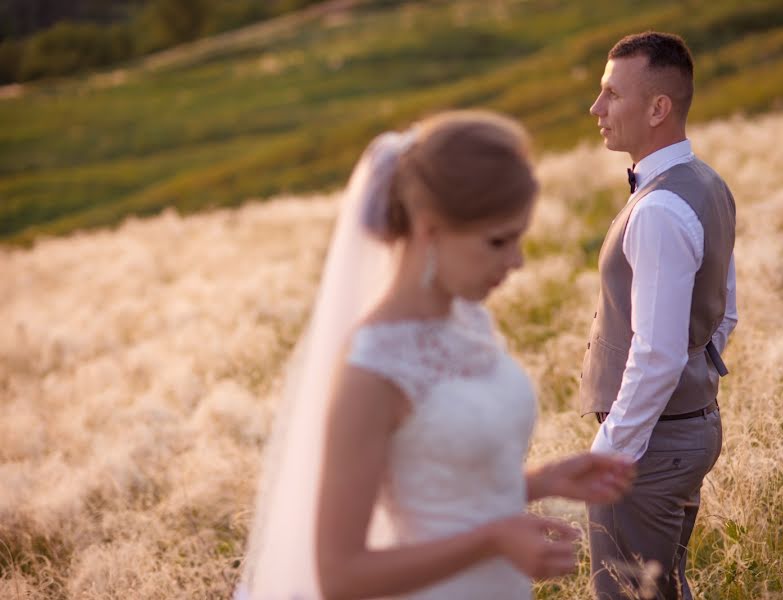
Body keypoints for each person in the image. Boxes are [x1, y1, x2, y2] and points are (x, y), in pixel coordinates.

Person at [236, 110, 634, 599]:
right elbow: (341, 575)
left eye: (519, 238)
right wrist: (493, 539)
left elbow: (438, 489)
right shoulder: (373, 368)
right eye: (498, 241)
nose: (517, 262)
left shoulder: (469, 322)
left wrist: (540, 481)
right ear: (429, 229)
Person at [580, 32, 738, 599]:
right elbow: (725, 313)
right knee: (663, 589)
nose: (596, 109)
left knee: (629, 595)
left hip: (651, 447)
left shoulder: (660, 209)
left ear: (657, 108)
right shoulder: (706, 184)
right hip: (681, 430)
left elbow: (657, 354)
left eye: (611, 95)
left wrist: (610, 453)